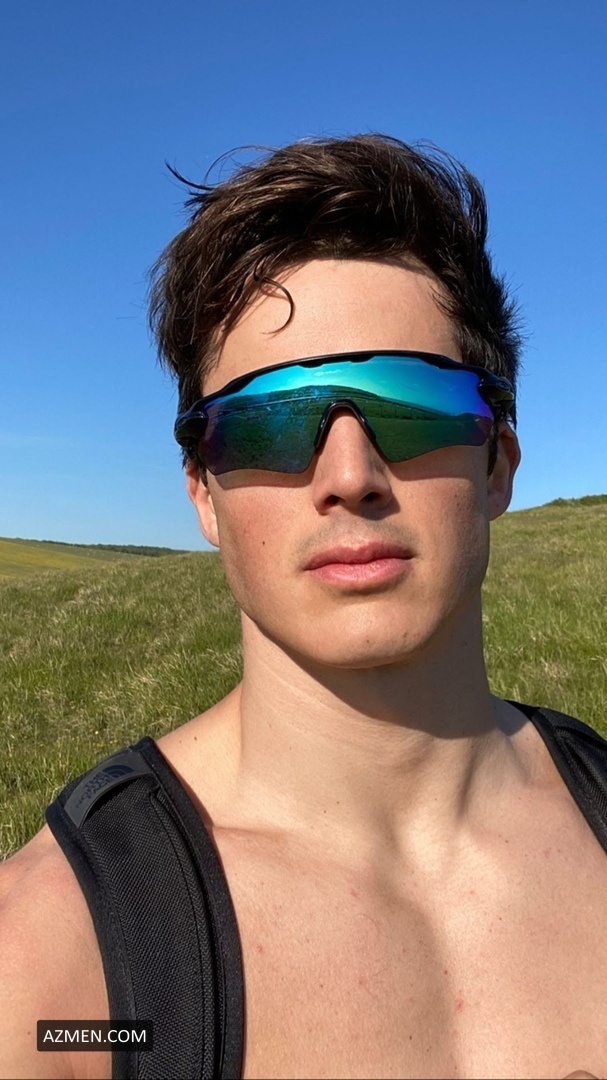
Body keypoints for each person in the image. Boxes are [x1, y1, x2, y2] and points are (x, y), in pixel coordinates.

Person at [0, 134, 604, 1080]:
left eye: (410, 403)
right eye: (267, 422)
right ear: (203, 494)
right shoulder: (55, 974)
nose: (349, 474)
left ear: (497, 464)